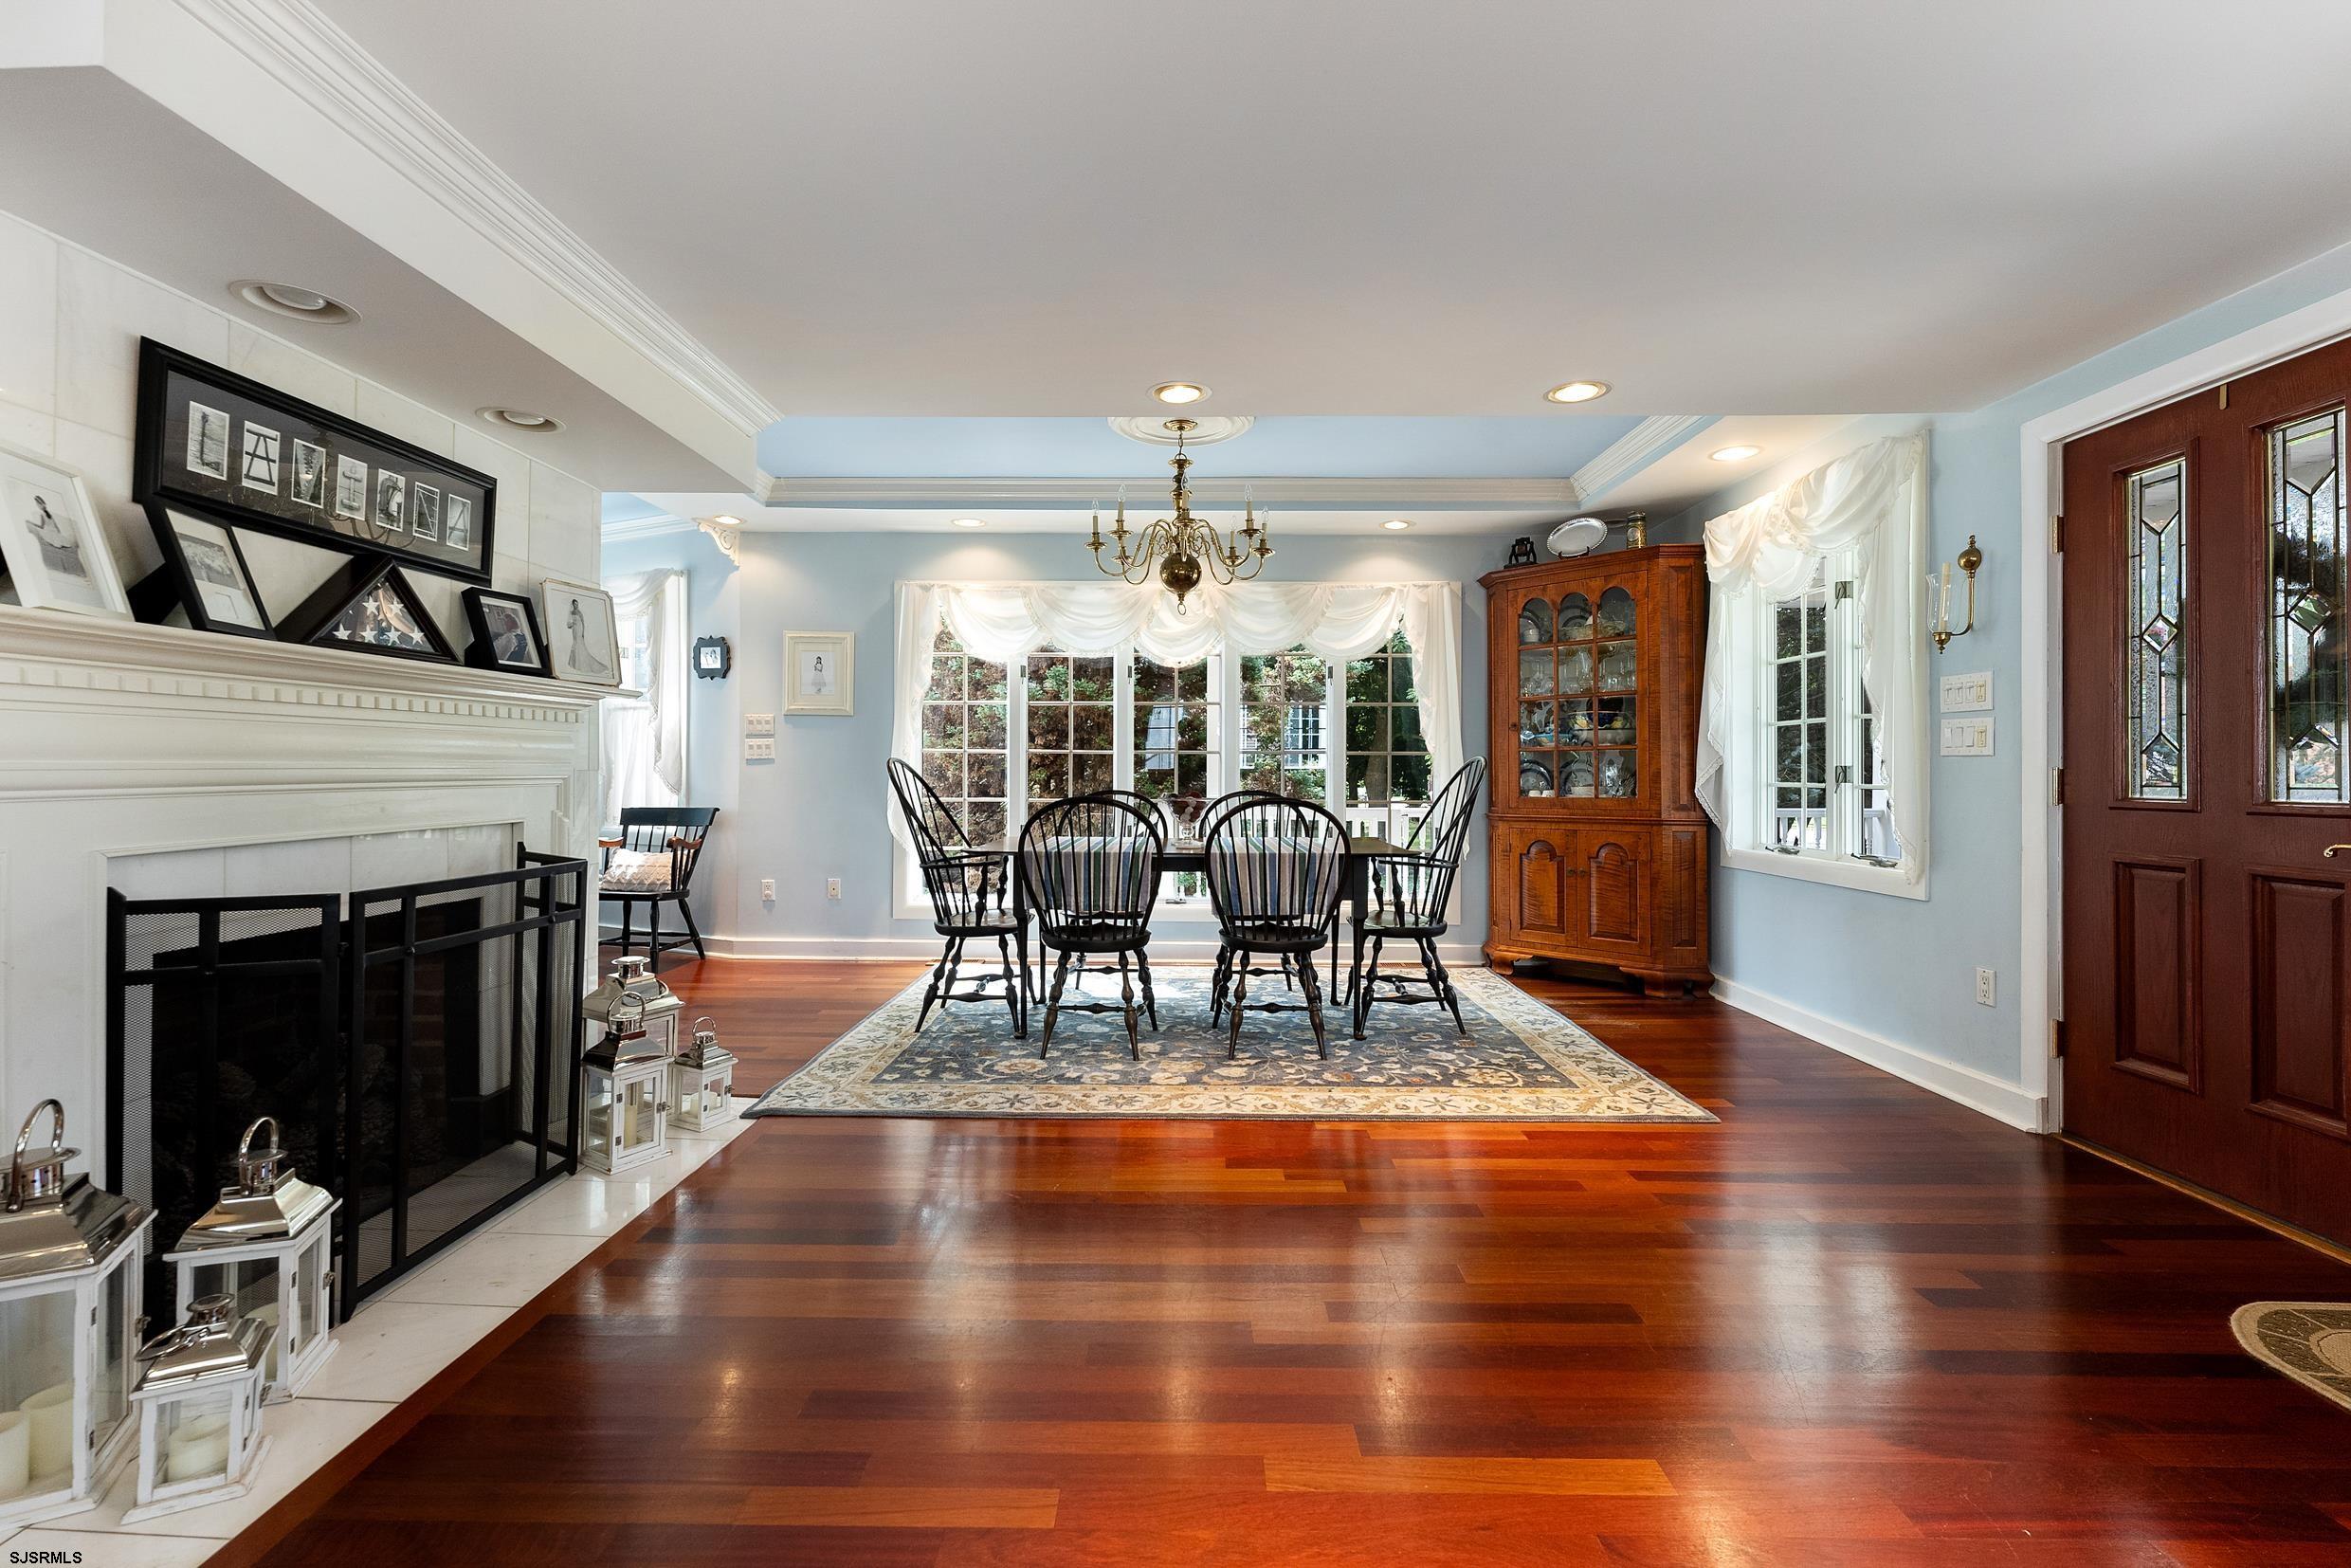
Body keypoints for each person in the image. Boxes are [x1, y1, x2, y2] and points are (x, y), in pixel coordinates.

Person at [27, 496, 87, 580]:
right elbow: (56, 527)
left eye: (38, 504)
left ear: (40, 505)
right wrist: (59, 534)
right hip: (55, 532)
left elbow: (41, 526)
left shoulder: (42, 514)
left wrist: (32, 523)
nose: (37, 506)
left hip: (50, 532)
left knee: (44, 534)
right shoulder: (50, 515)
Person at [566, 596, 612, 679]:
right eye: (575, 604)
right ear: (572, 604)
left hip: (579, 629)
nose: (576, 605)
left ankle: (579, 663)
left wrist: (583, 633)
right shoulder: (571, 612)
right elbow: (569, 625)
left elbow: (583, 623)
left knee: (579, 643)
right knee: (575, 643)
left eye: (577, 604)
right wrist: (572, 624)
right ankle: (574, 662)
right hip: (574, 630)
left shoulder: (579, 612)